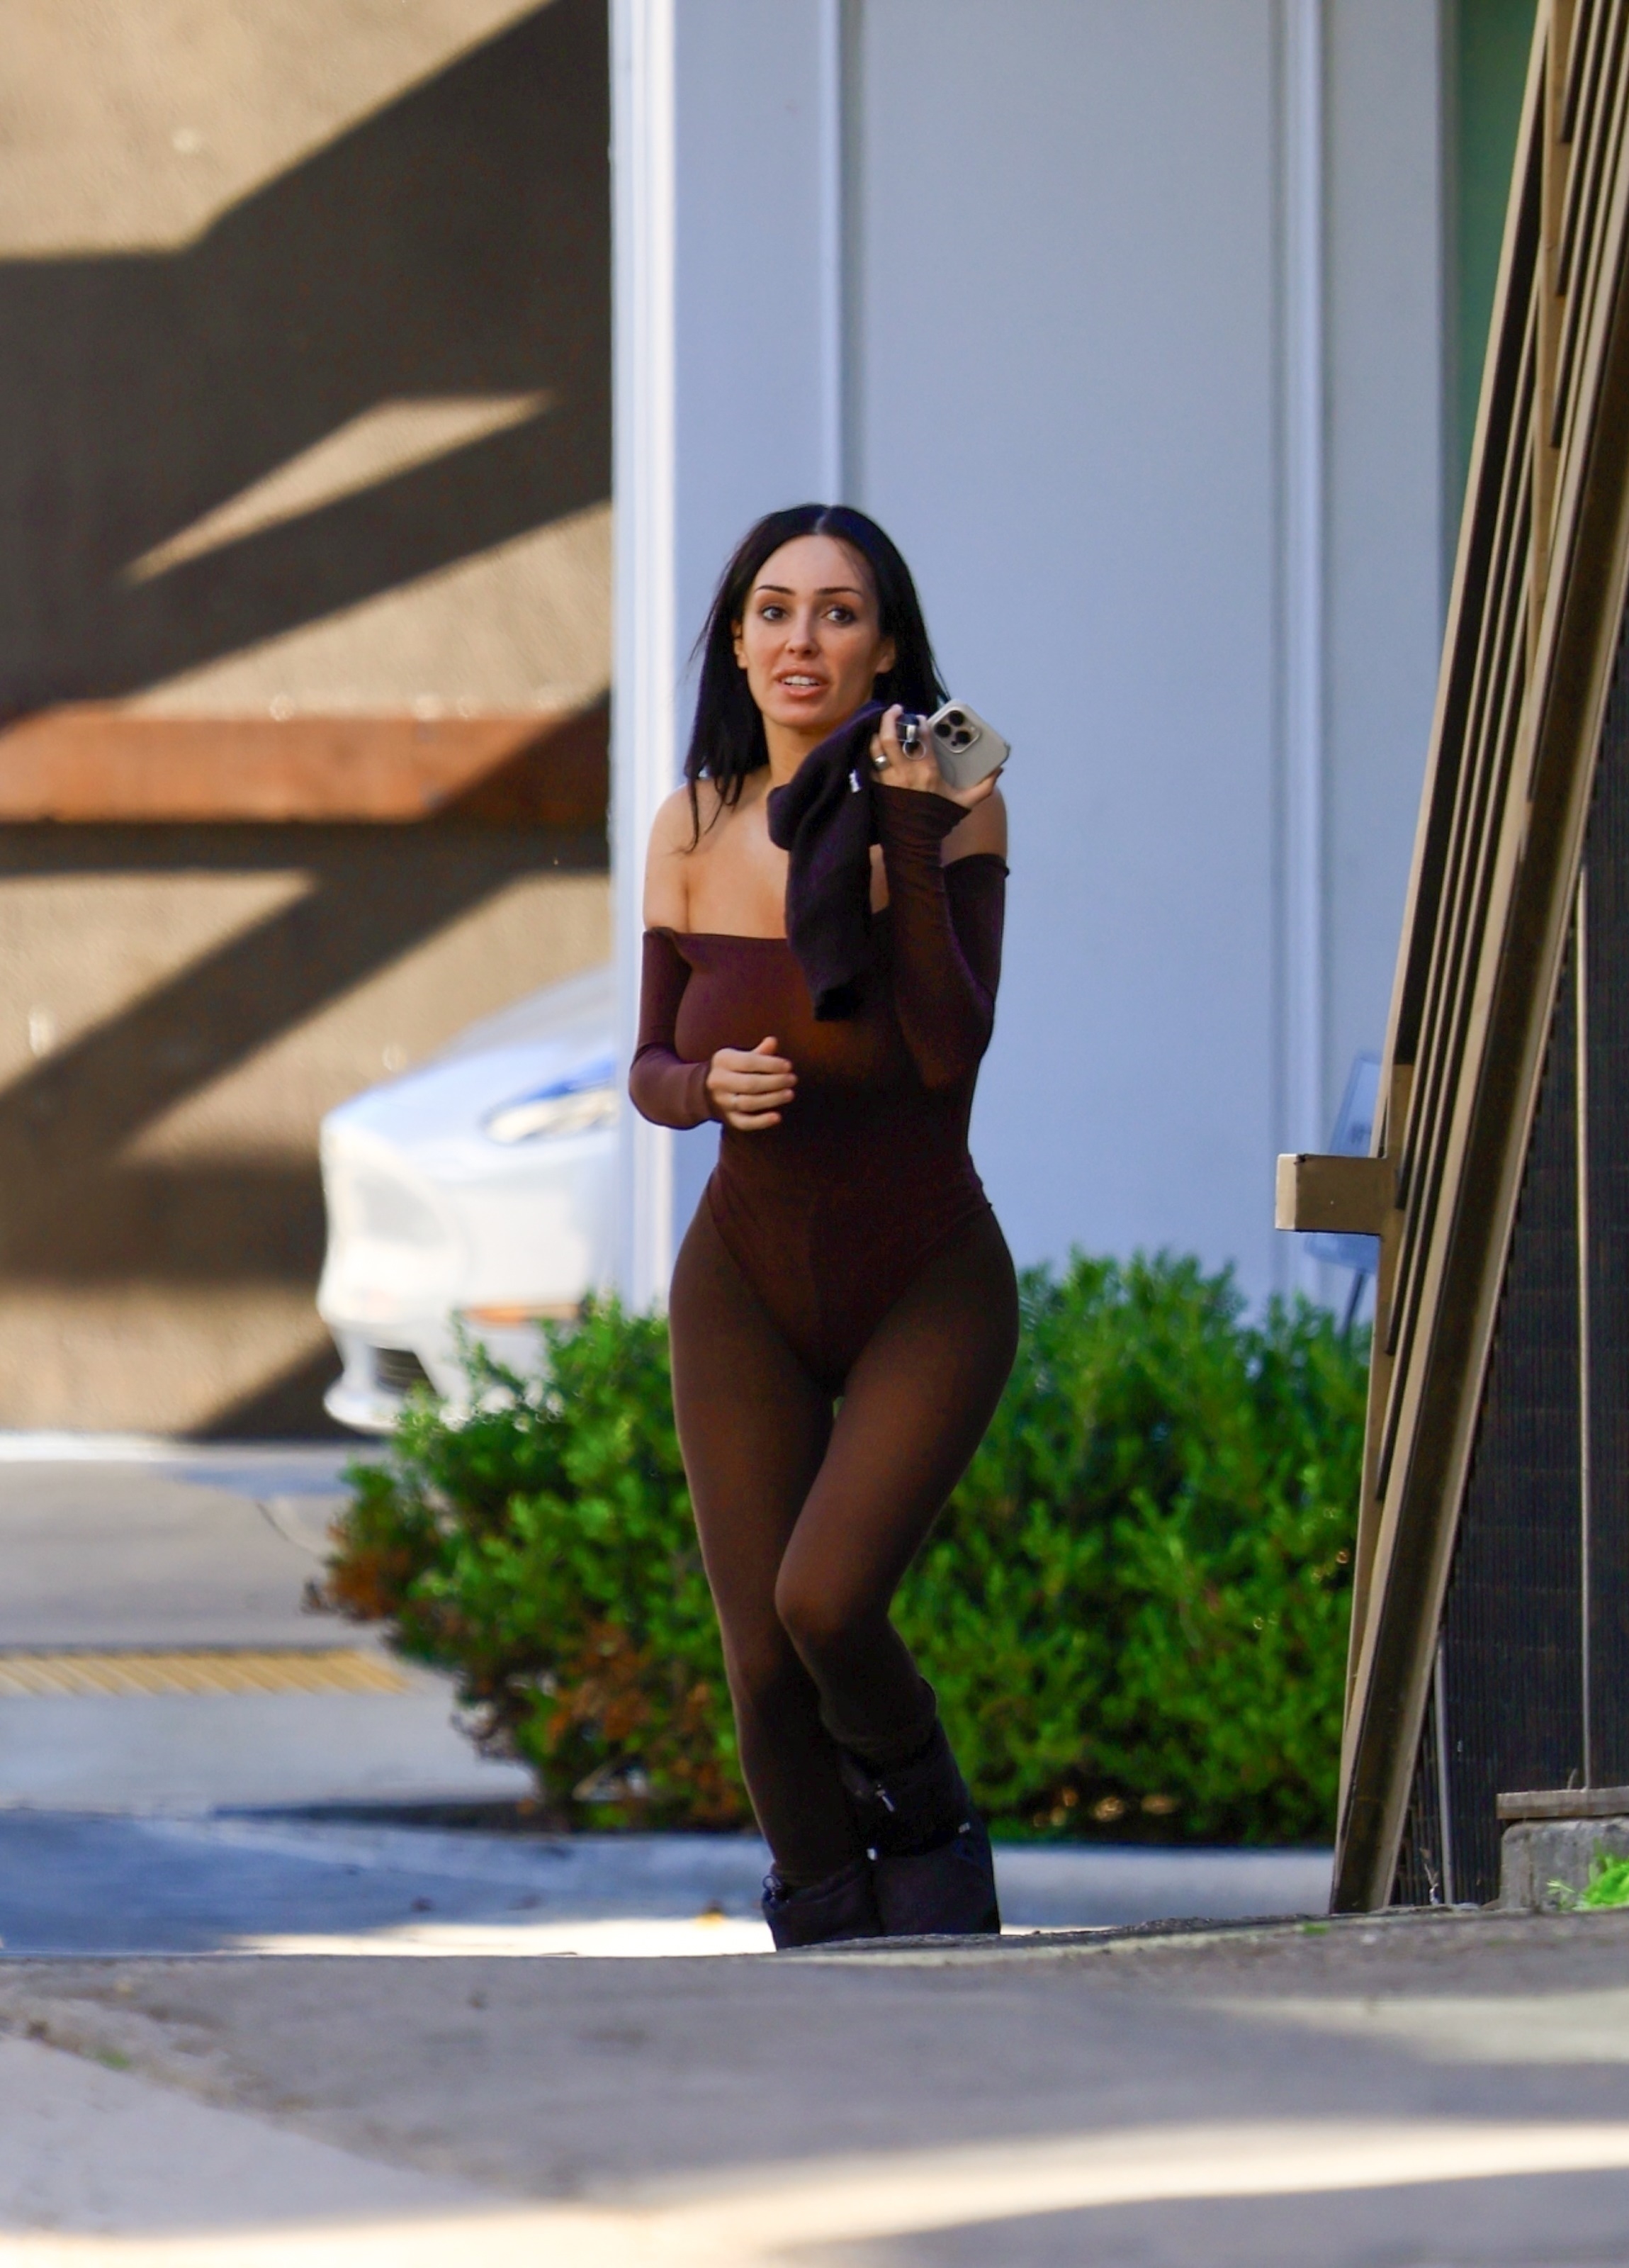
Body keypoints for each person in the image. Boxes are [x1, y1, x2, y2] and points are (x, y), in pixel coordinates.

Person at [629, 503, 1018, 1947]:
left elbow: (945, 1048)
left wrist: (909, 830)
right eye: (774, 609)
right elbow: (648, 1066)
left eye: (838, 611)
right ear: (735, 640)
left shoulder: (955, 806)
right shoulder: (688, 821)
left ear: (887, 646)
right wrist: (700, 1082)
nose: (803, 638)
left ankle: (928, 1823)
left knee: (828, 1602)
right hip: (743, 1273)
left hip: (925, 1272)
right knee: (759, 1665)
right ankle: (828, 1939)